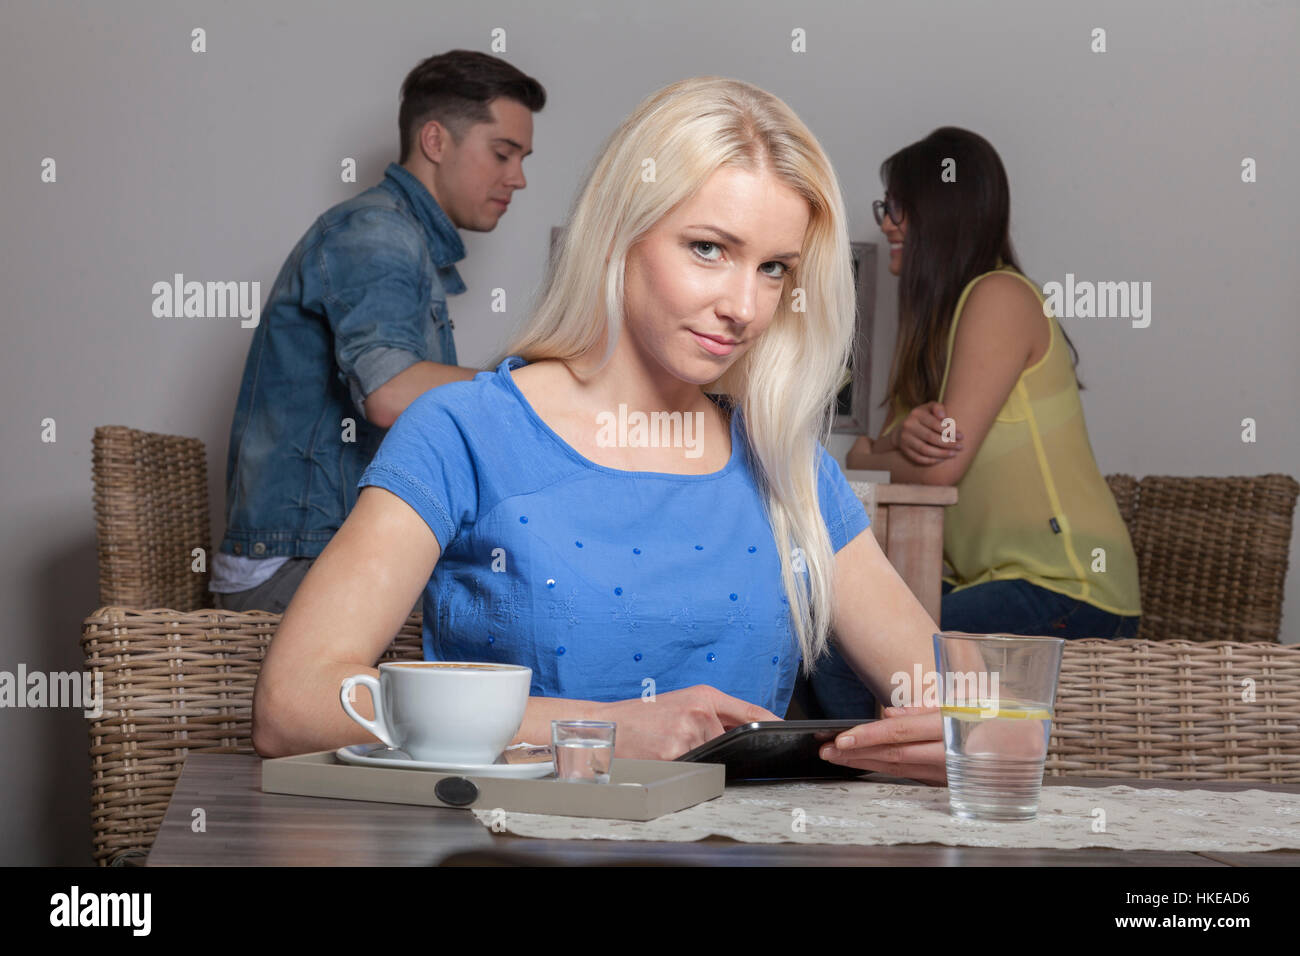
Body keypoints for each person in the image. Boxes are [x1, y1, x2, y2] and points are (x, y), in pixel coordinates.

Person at [252, 76, 949, 782]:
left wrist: (971, 735)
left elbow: (950, 697)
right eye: (708, 249)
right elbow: (294, 703)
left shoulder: (783, 462)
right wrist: (604, 731)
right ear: (619, 233)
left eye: (773, 269)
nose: (745, 306)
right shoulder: (463, 431)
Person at [807, 127, 1141, 720]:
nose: (887, 224)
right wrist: (891, 446)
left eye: (897, 207)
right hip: (999, 583)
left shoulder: (1000, 297)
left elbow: (935, 470)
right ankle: (882, 786)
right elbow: (860, 459)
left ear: (942, 210)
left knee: (843, 651)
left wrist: (886, 448)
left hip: (1065, 588)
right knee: (838, 636)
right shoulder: (939, 334)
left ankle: (871, 790)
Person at [210, 50, 545, 613]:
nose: (519, 178)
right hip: (295, 565)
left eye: (522, 158)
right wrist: (542, 389)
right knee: (519, 612)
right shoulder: (375, 234)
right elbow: (390, 393)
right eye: (503, 154)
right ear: (435, 142)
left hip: (321, 551)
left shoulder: (401, 238)